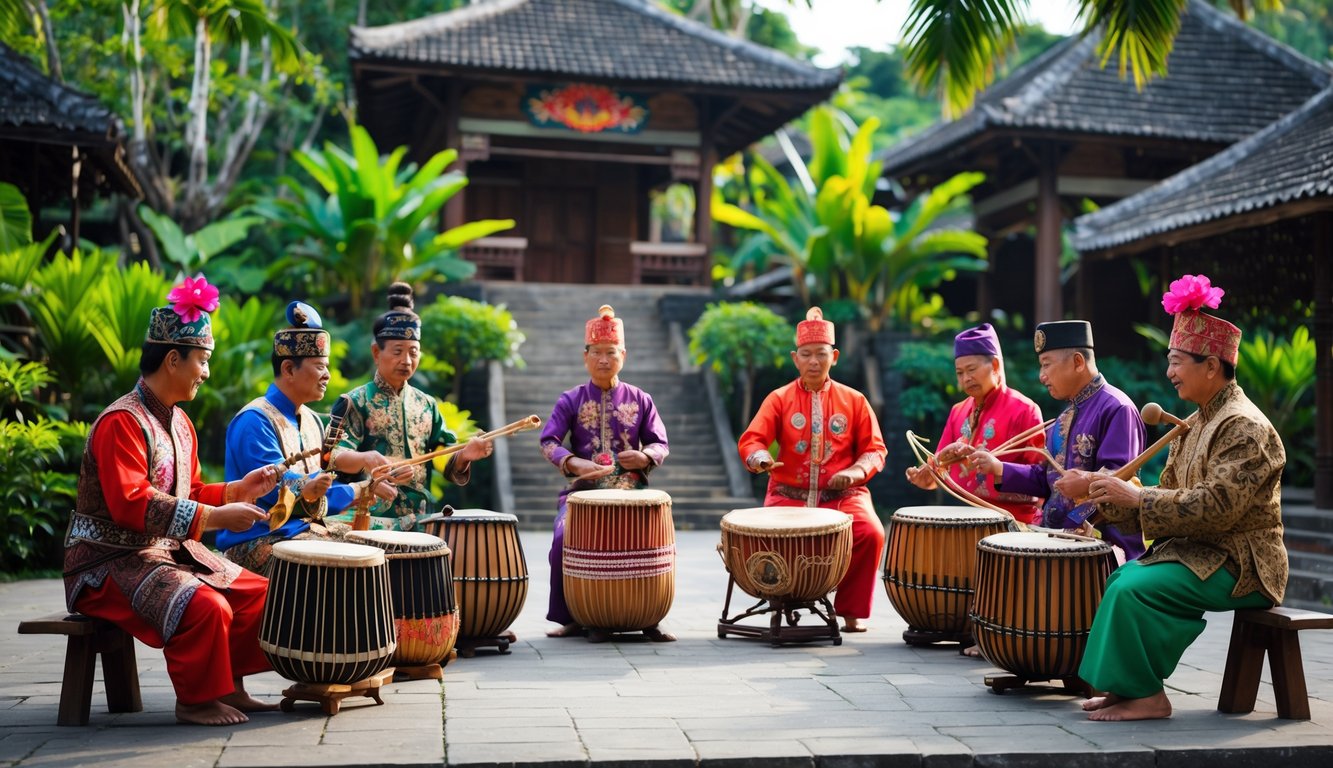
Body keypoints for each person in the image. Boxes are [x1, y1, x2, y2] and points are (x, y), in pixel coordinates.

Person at [63, 276, 281, 726]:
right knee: (206, 605)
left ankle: (231, 688)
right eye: (202, 361)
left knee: (258, 593)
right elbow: (132, 504)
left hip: (160, 553)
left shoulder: (180, 423)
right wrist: (217, 515)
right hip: (106, 562)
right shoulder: (121, 421)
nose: (206, 372)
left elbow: (192, 493)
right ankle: (196, 700)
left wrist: (240, 490)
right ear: (173, 358)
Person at [1079, 274, 1286, 721]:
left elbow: (1215, 509)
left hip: (1243, 563)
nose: (1169, 373)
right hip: (1201, 551)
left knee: (1135, 589)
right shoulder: (1190, 424)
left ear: (1211, 365)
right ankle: (1124, 688)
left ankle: (1148, 696)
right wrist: (1107, 496)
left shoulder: (1244, 426)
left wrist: (1135, 500)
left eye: (1176, 362)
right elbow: (1170, 499)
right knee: (1120, 579)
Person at [737, 307, 887, 633]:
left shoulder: (855, 400)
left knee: (870, 533)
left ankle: (851, 611)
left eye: (821, 354)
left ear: (834, 356)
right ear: (795, 358)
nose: (814, 362)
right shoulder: (778, 399)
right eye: (806, 354)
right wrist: (761, 459)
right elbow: (752, 440)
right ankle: (784, 599)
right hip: (787, 495)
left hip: (843, 496)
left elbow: (875, 450)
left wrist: (856, 473)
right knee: (770, 537)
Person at [219, 301, 395, 575]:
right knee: (347, 565)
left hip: (303, 531)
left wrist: (368, 485)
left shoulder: (312, 420)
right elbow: (284, 489)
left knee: (381, 552)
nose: (327, 375)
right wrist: (360, 490)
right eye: (319, 366)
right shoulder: (254, 420)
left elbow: (323, 484)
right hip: (257, 539)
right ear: (288, 369)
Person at [961, 320, 1147, 562]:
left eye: (1046, 365)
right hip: (1058, 539)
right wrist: (998, 467)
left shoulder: (1117, 408)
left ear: (1078, 362)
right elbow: (1048, 479)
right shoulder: (1064, 418)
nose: (1042, 376)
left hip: (1105, 547)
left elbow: (1121, 480)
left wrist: (1085, 486)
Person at [539, 304, 672, 641]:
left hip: (632, 494)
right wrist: (572, 462)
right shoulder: (570, 399)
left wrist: (644, 457)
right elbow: (549, 439)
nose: (603, 359)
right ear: (585, 357)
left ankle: (649, 616)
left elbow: (660, 443)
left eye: (610, 352)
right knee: (561, 541)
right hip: (582, 494)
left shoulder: (641, 399)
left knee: (655, 546)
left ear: (623, 355)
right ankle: (571, 615)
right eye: (596, 352)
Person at [329, 282, 491, 531]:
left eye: (413, 352)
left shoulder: (427, 405)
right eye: (397, 351)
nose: (406, 360)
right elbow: (333, 457)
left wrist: (464, 456)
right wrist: (367, 465)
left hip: (420, 519)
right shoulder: (355, 401)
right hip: (368, 519)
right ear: (376, 352)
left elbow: (442, 452)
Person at [905, 322, 1045, 524]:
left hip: (1009, 521)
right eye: (960, 373)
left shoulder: (1025, 410)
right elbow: (932, 480)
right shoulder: (958, 411)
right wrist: (929, 470)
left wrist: (999, 468)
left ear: (995, 365)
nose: (966, 378)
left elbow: (1042, 481)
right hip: (959, 517)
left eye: (971, 369)